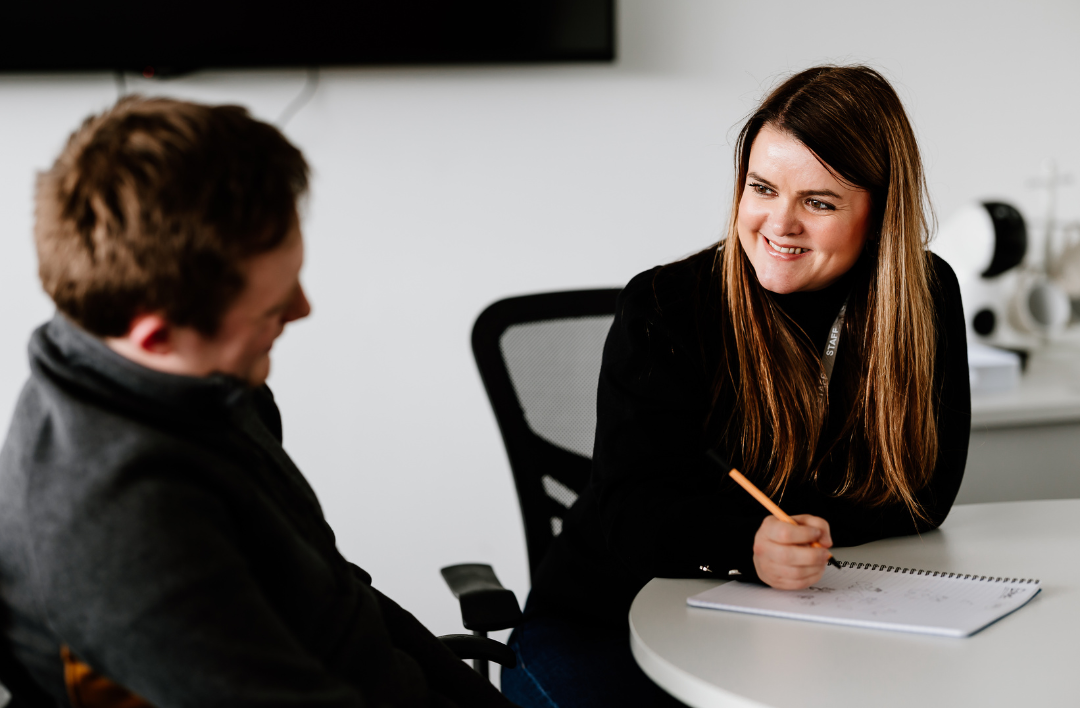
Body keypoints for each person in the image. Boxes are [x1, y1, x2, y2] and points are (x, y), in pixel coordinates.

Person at [0, 97, 518, 708]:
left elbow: (339, 597)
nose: (302, 309)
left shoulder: (191, 382)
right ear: (157, 334)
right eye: (273, 306)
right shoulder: (125, 530)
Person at [500, 65, 971, 707]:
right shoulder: (668, 305)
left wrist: (794, 541)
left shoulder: (925, 296)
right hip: (609, 618)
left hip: (795, 623)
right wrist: (749, 544)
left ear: (880, 213)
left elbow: (923, 491)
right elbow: (630, 510)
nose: (780, 224)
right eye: (762, 188)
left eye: (819, 202)